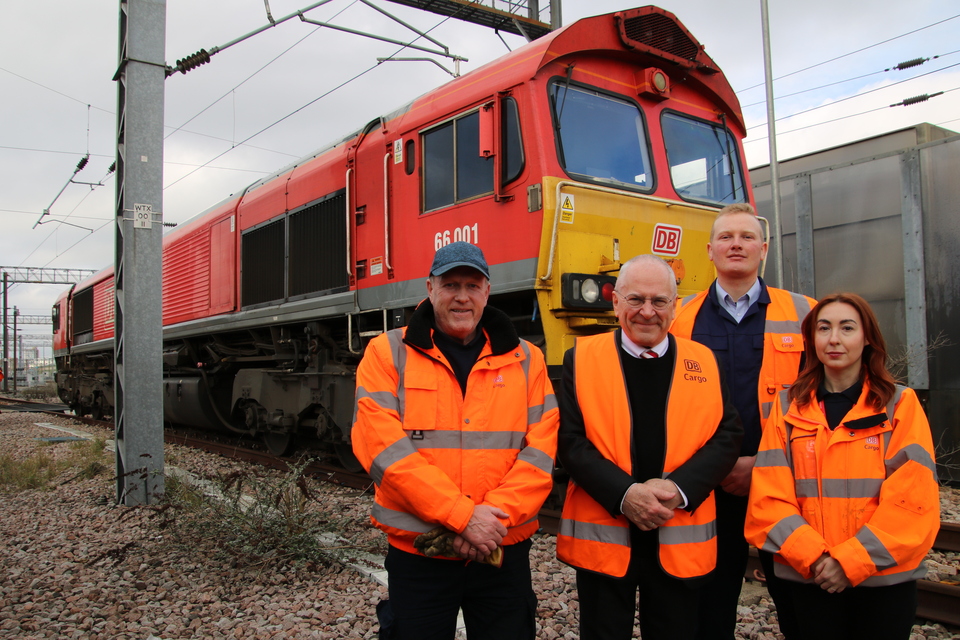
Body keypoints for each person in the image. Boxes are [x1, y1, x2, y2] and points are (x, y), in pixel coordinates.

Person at [351, 241, 559, 640]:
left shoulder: (528, 360)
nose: (462, 296)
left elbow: (541, 452)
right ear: (430, 289)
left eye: (472, 285)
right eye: (450, 285)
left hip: (500, 549)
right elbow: (380, 447)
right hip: (421, 554)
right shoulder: (387, 353)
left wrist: (488, 523)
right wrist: (462, 517)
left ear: (487, 292)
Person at [556, 254, 743, 640]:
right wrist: (625, 494)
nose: (647, 312)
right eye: (635, 299)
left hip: (679, 535)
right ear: (615, 302)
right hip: (605, 540)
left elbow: (727, 436)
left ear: (674, 306)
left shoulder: (704, 362)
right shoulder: (581, 359)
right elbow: (570, 442)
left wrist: (678, 489)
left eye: (659, 301)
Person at [745, 292, 940, 640]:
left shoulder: (899, 405)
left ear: (867, 339)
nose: (834, 338)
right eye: (824, 328)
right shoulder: (788, 408)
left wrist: (849, 561)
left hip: (883, 582)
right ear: (811, 339)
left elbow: (914, 502)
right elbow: (768, 498)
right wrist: (818, 560)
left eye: (847, 328)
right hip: (811, 578)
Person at [670, 202, 815, 640]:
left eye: (747, 236)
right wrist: (711, 467)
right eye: (727, 237)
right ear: (709, 250)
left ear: (763, 249)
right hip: (707, 485)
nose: (737, 244)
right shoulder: (679, 316)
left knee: (800, 600)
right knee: (711, 604)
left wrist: (763, 465)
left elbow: (819, 402)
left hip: (784, 483)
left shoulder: (805, 314)